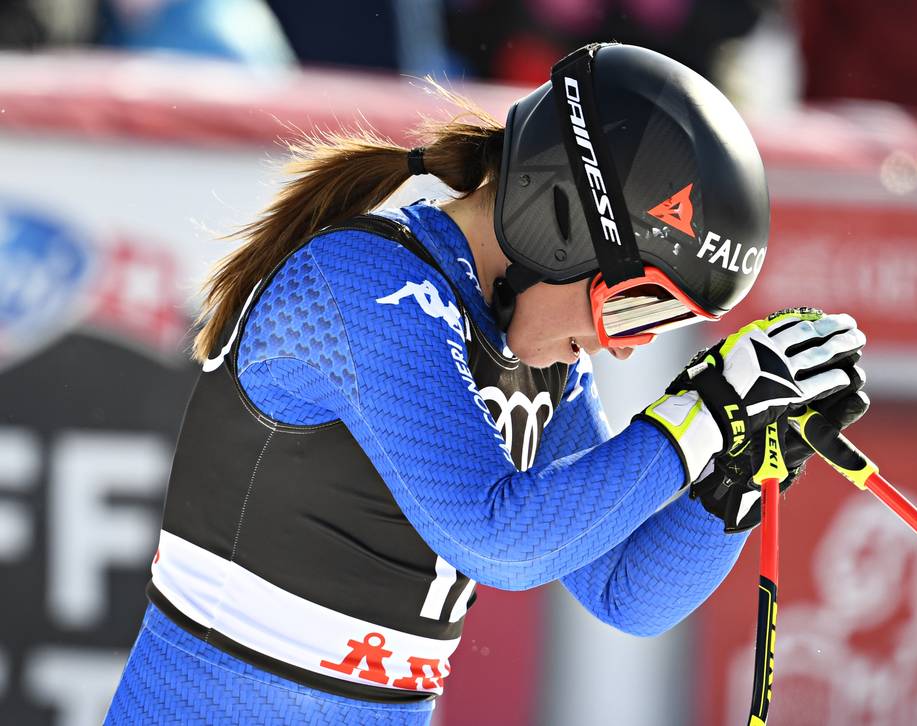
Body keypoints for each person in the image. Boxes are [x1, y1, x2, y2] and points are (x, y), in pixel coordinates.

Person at [104, 42, 868, 724]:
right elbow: (498, 543)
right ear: (557, 220)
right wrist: (703, 414)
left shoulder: (535, 352)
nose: (625, 351)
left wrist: (733, 477)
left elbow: (626, 592)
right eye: (633, 308)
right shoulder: (365, 284)